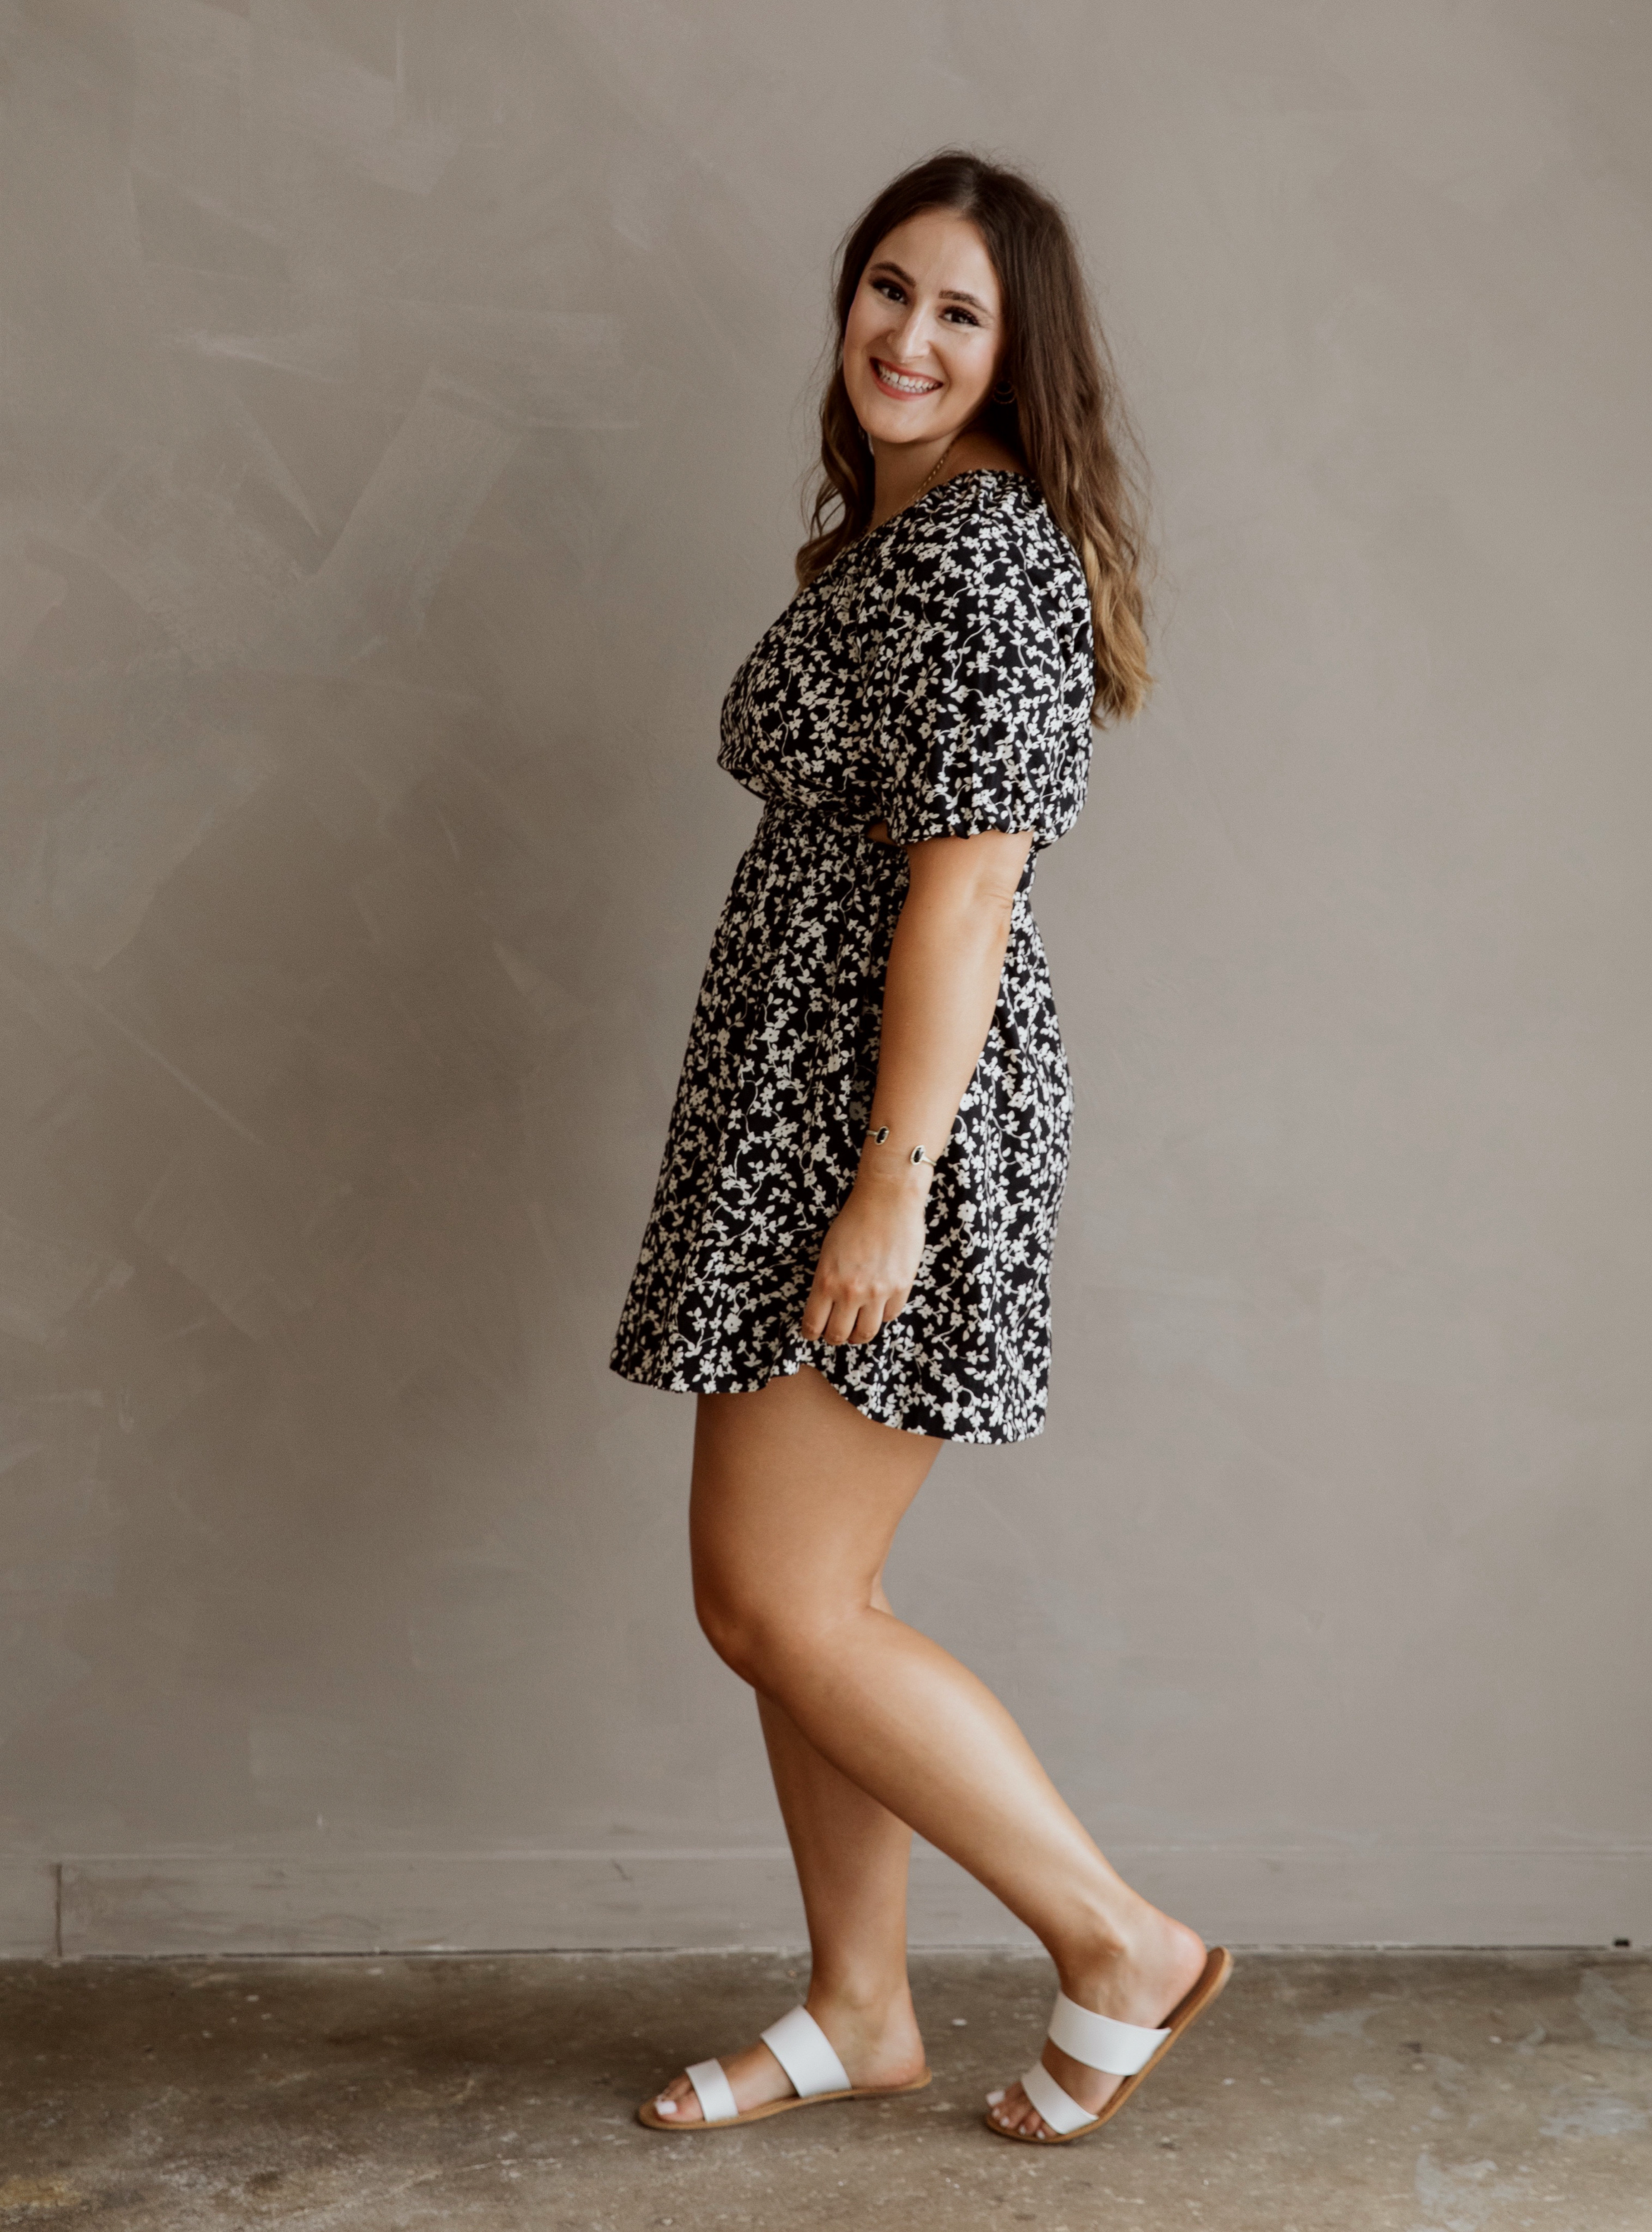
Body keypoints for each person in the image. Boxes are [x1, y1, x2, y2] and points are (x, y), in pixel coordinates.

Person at [611, 149, 1229, 2146]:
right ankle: (859, 2004)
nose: (905, 333)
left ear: (1014, 353)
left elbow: (964, 894)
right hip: (808, 1093)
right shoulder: (892, 542)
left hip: (877, 1113)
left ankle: (1115, 1935)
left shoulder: (976, 554)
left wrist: (890, 1177)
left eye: (959, 311)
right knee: (804, 1600)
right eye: (887, 287)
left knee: (775, 1599)